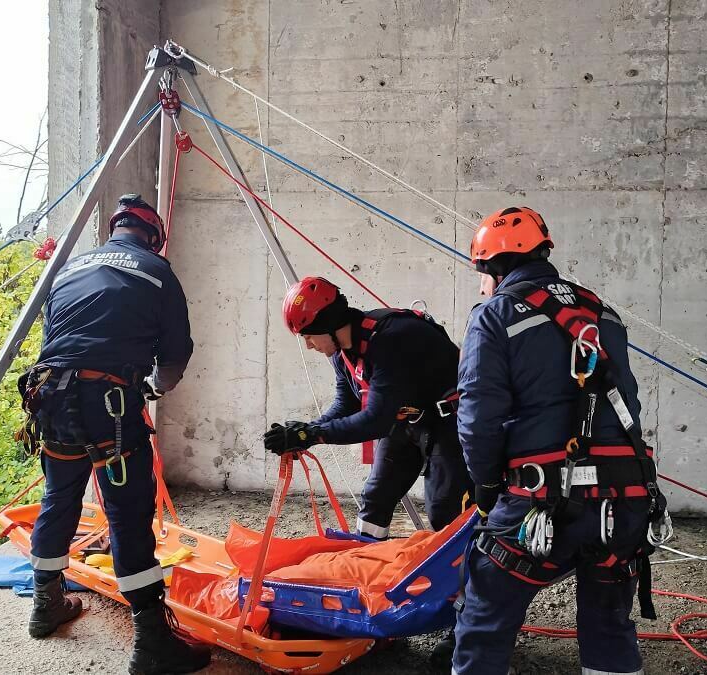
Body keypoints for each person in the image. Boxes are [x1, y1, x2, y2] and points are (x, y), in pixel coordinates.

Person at [452, 207, 668, 675]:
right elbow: (624, 399)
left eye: (481, 273)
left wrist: (487, 486)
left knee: (487, 608)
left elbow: (477, 419)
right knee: (610, 621)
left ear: (493, 266)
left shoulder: (494, 315)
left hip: (542, 497)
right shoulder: (601, 312)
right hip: (626, 496)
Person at [18, 194, 209, 675]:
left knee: (58, 496)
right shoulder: (155, 270)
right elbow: (175, 355)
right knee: (127, 512)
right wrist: (150, 386)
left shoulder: (69, 268)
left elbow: (52, 341)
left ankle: (46, 605)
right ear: (153, 235)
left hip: (51, 397)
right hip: (110, 405)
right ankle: (151, 642)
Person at [263, 277, 474, 540]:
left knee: (445, 508)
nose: (308, 345)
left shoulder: (389, 340)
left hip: (449, 422)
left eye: (308, 337)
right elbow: (346, 405)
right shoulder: (342, 353)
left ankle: (465, 574)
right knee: (376, 498)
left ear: (328, 324)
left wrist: (310, 434)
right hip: (407, 421)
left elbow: (376, 421)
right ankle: (369, 567)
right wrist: (305, 433)